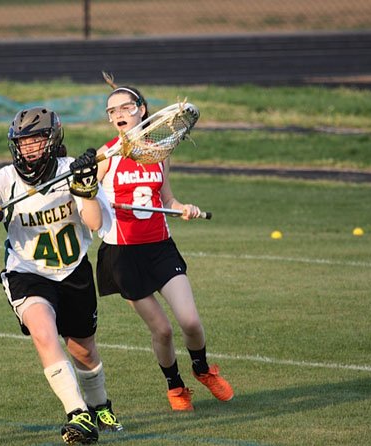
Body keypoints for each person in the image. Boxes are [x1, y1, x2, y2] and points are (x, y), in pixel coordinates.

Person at [0, 107, 122, 445]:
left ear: (51, 139)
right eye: (22, 142)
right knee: (44, 332)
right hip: (27, 272)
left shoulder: (73, 171)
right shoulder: (4, 180)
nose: (28, 148)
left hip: (73, 271)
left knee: (84, 349)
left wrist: (85, 190)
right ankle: (78, 414)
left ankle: (100, 405)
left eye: (36, 140)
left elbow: (95, 223)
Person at [95, 77, 234, 411]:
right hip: (122, 254)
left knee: (190, 322)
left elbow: (167, 199)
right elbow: (87, 203)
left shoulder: (160, 152)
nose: (118, 114)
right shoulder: (105, 156)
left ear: (141, 110)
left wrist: (183, 208)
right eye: (112, 111)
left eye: (125, 107)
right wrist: (100, 203)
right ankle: (175, 386)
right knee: (163, 331)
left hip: (160, 246)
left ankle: (202, 369)